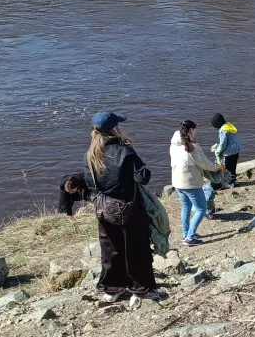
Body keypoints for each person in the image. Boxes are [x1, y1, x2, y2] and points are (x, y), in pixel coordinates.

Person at [81, 111, 165, 302]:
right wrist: (133, 155)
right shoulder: (125, 151)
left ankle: (112, 289)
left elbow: (91, 186)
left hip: (104, 209)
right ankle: (142, 289)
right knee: (137, 250)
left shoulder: (89, 156)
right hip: (130, 209)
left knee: (110, 250)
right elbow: (143, 177)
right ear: (115, 130)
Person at [170, 120, 223, 246]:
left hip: (177, 182)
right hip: (190, 183)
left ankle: (186, 233)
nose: (196, 132)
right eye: (195, 130)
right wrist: (218, 167)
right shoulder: (192, 146)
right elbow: (204, 163)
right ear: (191, 130)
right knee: (201, 209)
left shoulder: (174, 144)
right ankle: (190, 237)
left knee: (186, 207)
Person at [210, 113, 241, 189]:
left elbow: (223, 144)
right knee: (233, 166)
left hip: (229, 153)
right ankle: (234, 180)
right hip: (236, 150)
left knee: (227, 169)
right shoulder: (229, 126)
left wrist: (217, 152)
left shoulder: (223, 131)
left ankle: (229, 183)